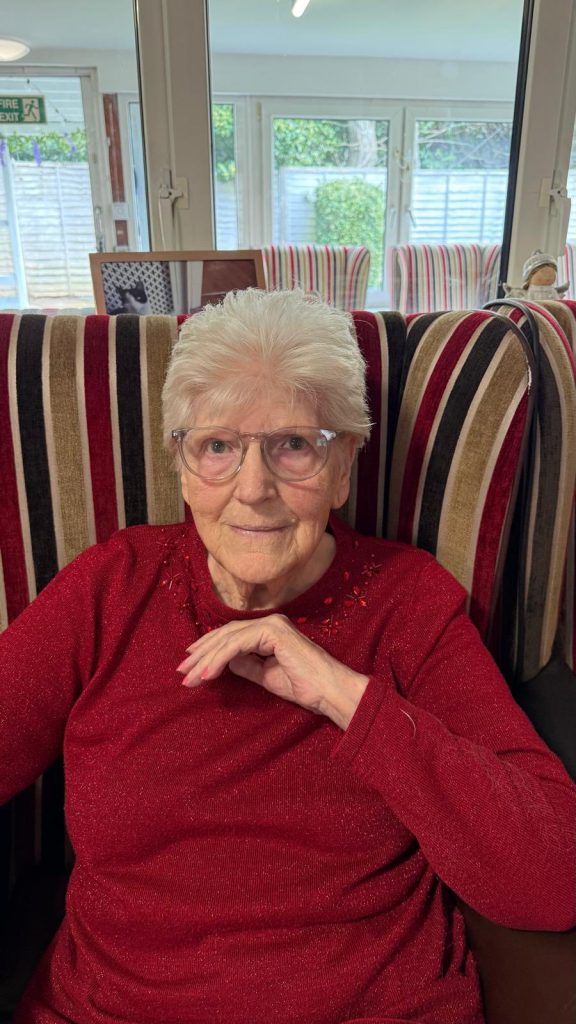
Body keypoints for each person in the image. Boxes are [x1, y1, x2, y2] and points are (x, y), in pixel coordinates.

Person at [1, 288, 575, 1024]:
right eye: (218, 446)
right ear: (181, 463)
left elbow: (553, 878)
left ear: (343, 467)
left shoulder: (409, 605)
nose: (253, 489)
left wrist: (345, 697)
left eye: (294, 445)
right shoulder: (111, 591)